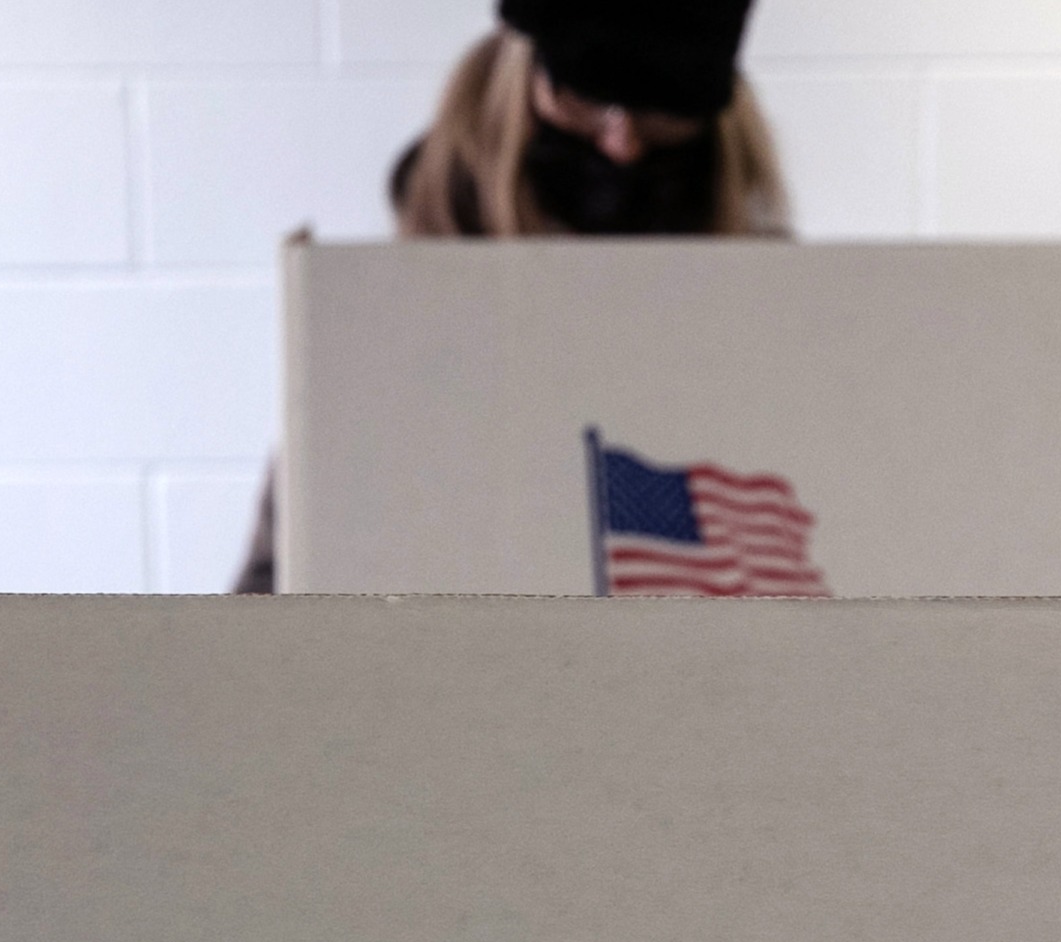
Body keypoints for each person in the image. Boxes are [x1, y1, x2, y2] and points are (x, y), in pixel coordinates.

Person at [232, 0, 784, 591]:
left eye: (662, 111)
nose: (622, 142)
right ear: (521, 84)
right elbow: (280, 582)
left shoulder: (776, 315)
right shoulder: (389, 329)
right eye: (584, 98)